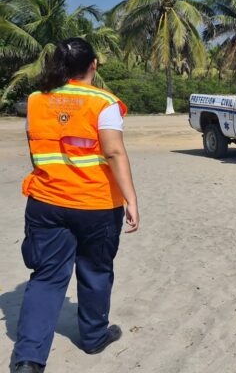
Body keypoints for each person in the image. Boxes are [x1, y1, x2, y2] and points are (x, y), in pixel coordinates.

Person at [13, 38, 139, 373]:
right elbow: (114, 152)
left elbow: (36, 149)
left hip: (46, 200)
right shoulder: (104, 102)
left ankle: (28, 359)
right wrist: (131, 199)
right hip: (95, 203)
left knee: (46, 277)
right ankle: (94, 336)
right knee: (95, 270)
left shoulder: (36, 100)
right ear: (93, 64)